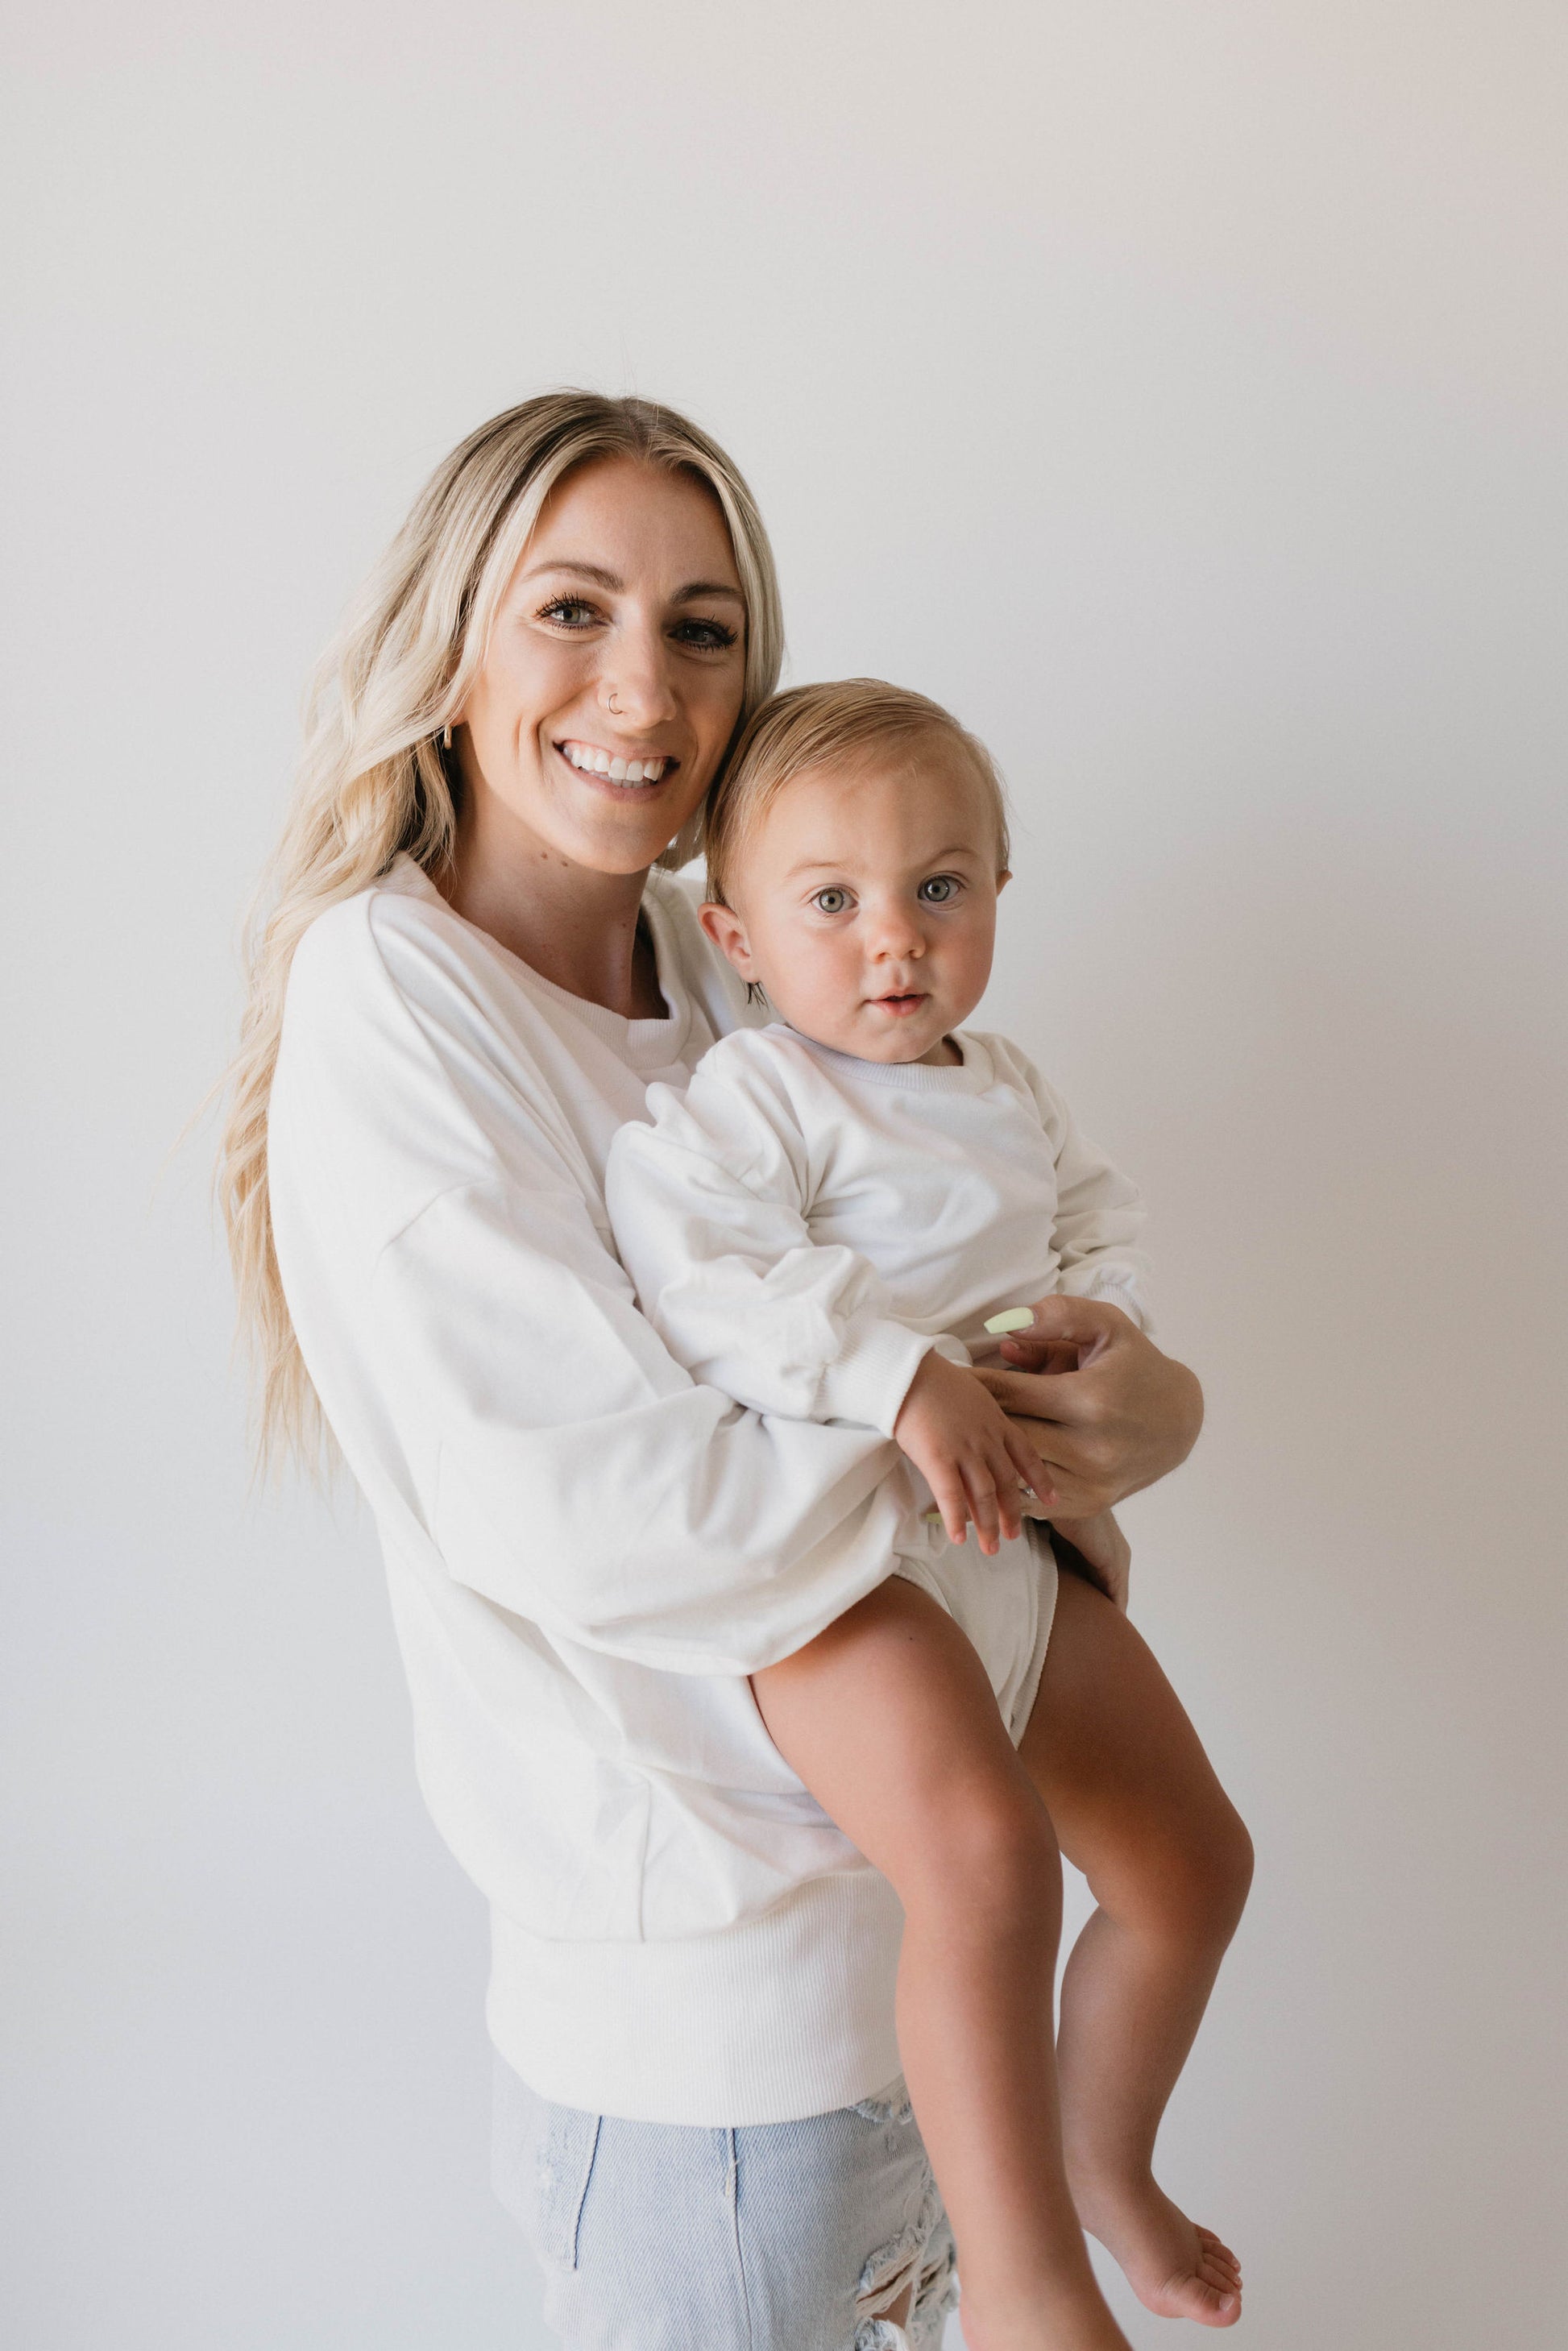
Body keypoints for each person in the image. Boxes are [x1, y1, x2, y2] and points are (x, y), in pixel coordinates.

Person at [220, 392, 1208, 2350]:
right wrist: (969, 1427)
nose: (640, 687)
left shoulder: (729, 958)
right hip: (714, 2077)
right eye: (568, 609)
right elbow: (611, 1505)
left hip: (917, 2007)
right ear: (454, 641)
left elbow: (953, 1266)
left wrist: (1141, 1413)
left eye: (701, 626)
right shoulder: (393, 993)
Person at [606, 680, 1254, 2349]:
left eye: (939, 888)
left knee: (1191, 1862)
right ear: (735, 933)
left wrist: (1101, 1328)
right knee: (986, 1858)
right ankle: (1024, 2289)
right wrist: (894, 1371)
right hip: (848, 1560)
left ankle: (1104, 2160)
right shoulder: (761, 1099)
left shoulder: (1009, 1082)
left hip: (1012, 1551)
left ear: (996, 894)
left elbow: (1089, 1221)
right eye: (833, 903)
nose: (892, 940)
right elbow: (698, 1267)